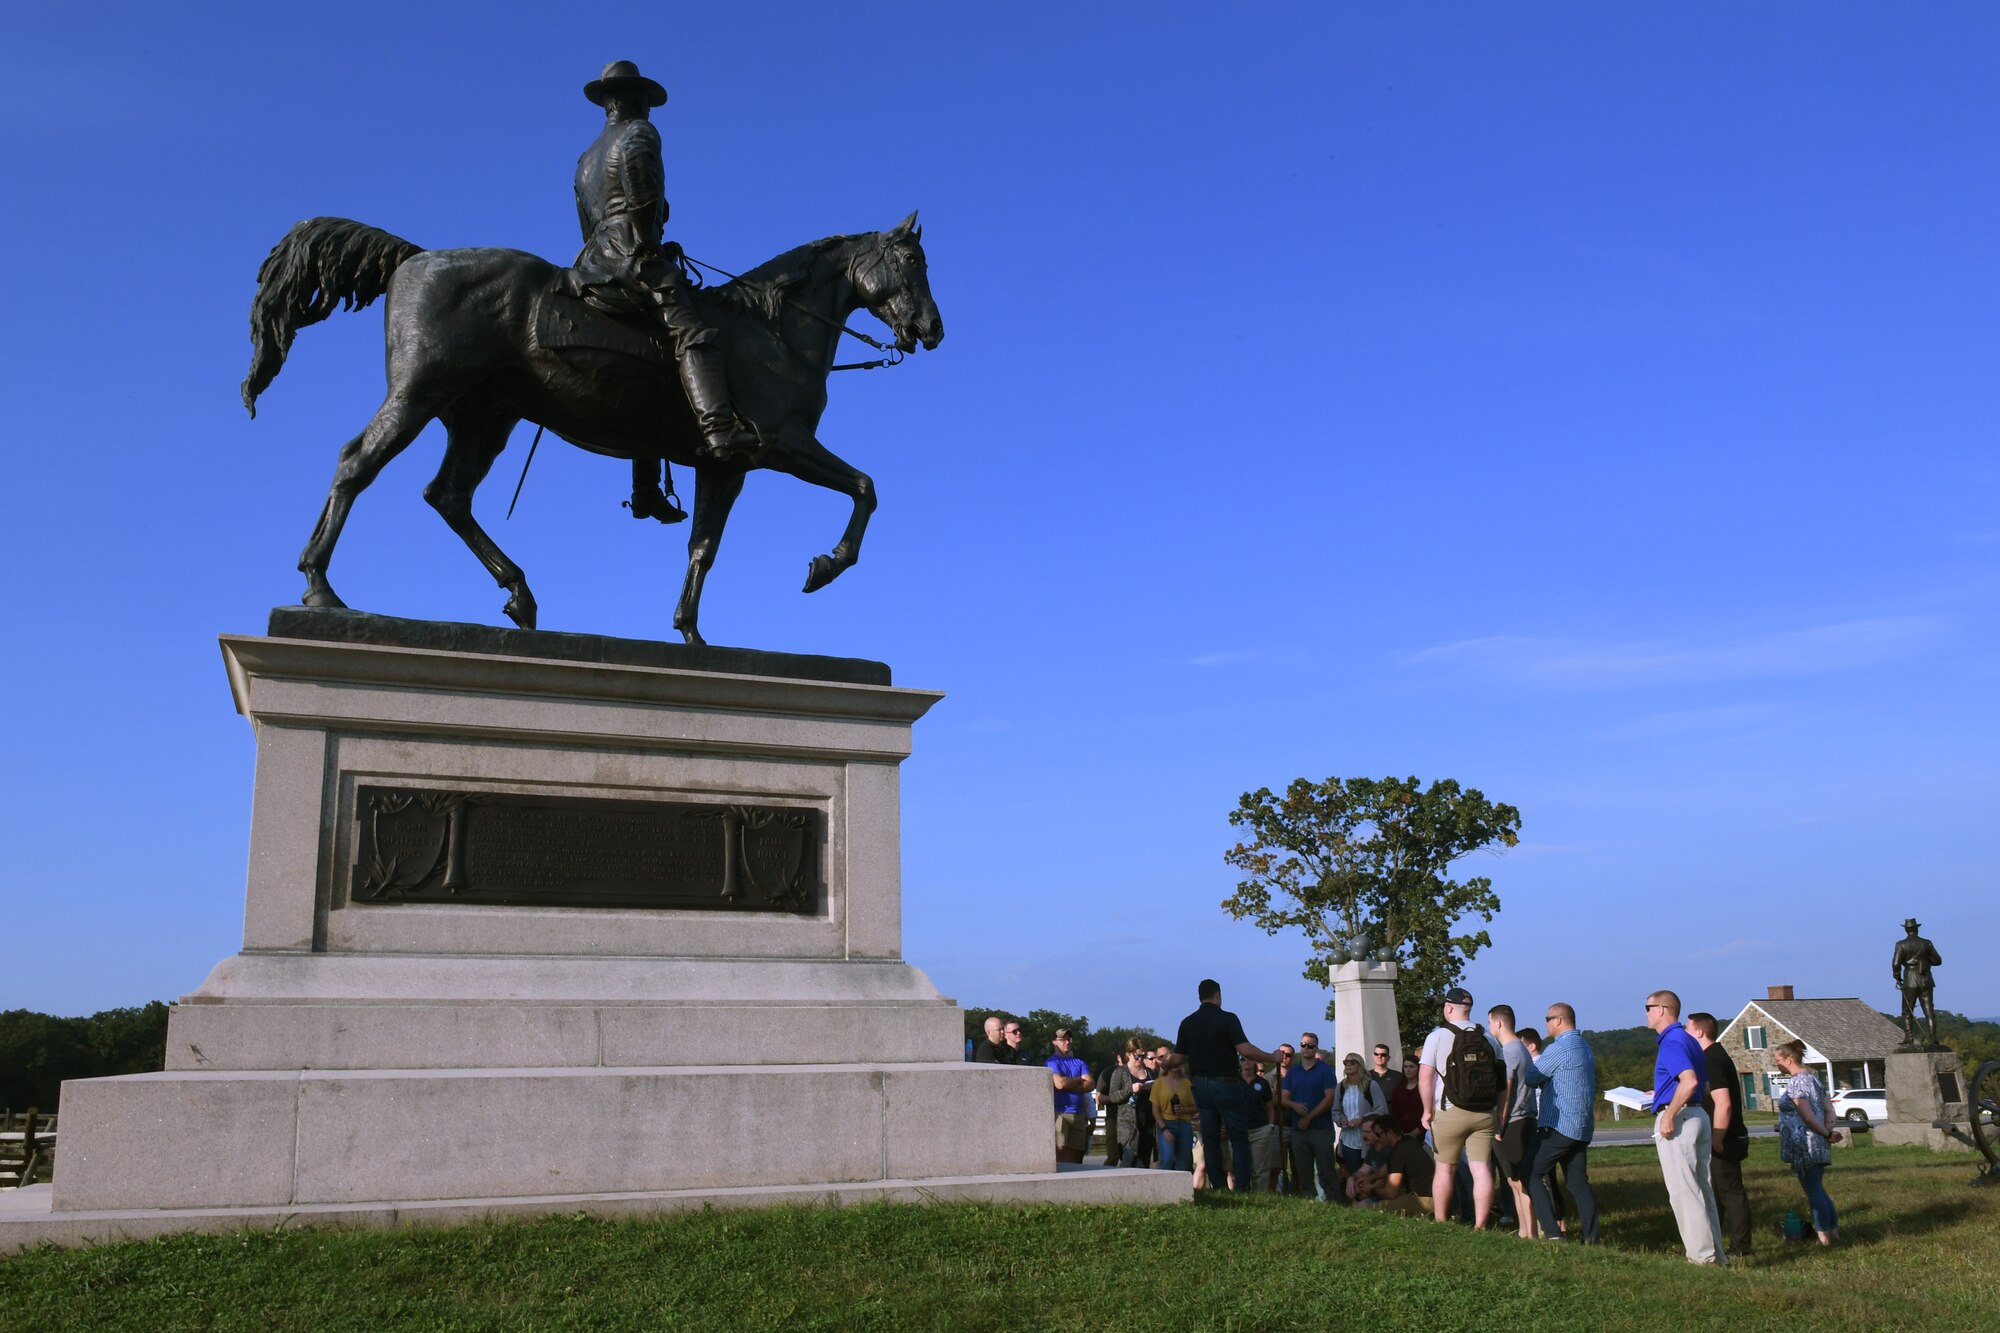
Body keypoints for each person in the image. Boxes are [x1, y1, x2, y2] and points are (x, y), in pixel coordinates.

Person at [570, 61, 763, 526]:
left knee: (650, 352)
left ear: (606, 101)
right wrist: (650, 247)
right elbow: (643, 201)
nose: (649, 110)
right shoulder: (639, 135)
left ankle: (646, 491)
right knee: (694, 331)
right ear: (633, 98)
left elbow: (585, 224)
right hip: (633, 253)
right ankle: (719, 431)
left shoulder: (586, 157)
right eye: (646, 101)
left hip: (592, 260)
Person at [1173, 979, 1282, 1193]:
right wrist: (1272, 1057)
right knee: (1238, 1136)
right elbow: (1246, 1050)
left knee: (1211, 1137)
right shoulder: (1228, 1019)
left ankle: (1219, 1186)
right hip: (1226, 1082)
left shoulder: (1187, 1022)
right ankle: (1242, 1186)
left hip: (1201, 1085)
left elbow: (1177, 1059)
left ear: (1200, 996)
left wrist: (1166, 1062)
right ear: (1218, 995)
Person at [1645, 989, 1727, 1265]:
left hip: (1680, 1119)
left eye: (1648, 1007)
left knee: (1684, 1191)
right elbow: (1701, 1085)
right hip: (1698, 1115)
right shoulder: (1690, 1040)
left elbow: (1690, 1082)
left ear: (1662, 1009)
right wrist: (1660, 1092)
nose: (1645, 1012)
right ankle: (1717, 1254)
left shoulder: (1671, 1041)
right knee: (1702, 1189)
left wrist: (1669, 1115)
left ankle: (1702, 1258)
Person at [1419, 986, 1506, 1226]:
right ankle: (1480, 1224)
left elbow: (1425, 1078)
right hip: (1485, 1112)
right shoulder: (1488, 1037)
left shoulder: (1436, 1036)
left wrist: (1427, 1111)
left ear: (1448, 1008)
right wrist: (1499, 1115)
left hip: (1450, 1110)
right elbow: (1502, 1084)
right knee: (1481, 1169)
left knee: (1445, 1168)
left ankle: (1441, 1220)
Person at [1517, 1003, 1598, 1243]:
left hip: (1558, 1124)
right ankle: (1591, 1238)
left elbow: (1531, 1077)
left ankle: (1553, 1233)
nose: (1546, 1024)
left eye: (1548, 1019)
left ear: (1559, 1020)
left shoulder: (1559, 1047)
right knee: (1577, 1182)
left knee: (1530, 1172)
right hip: (1582, 1126)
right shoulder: (1585, 1046)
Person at [1686, 1011, 1753, 1257]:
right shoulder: (1710, 1057)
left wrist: (1717, 1138)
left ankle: (1741, 1248)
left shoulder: (1713, 1059)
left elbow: (1723, 1104)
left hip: (1725, 1137)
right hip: (1720, 1136)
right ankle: (1716, 1243)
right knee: (1715, 1193)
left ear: (1699, 1032)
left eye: (1687, 1028)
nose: (1684, 1033)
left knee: (1731, 1193)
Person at [1772, 1039, 1841, 1246]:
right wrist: (1827, 1131)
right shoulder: (1814, 1080)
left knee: (1813, 1190)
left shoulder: (1796, 1082)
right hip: (1819, 1142)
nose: (1775, 1064)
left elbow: (1807, 1116)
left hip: (1804, 1144)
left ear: (1789, 1059)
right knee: (1818, 1188)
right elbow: (1829, 1110)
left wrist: (1825, 1133)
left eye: (1777, 1060)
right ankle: (1833, 1233)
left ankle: (1823, 1237)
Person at [1487, 1005, 1537, 1239]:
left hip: (1514, 1122)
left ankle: (1532, 1231)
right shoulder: (1521, 1048)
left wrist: (1500, 1126)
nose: (1490, 1027)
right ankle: (1524, 1231)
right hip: (1520, 1119)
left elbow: (1506, 1093)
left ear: (1498, 1023)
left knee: (1520, 1182)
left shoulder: (1510, 1051)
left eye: (1490, 1022)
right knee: (1514, 1181)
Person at [1281, 1032, 1341, 1202]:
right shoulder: (1293, 1072)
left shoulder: (1325, 1070)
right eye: (1303, 1045)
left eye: (1310, 1045)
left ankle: (1332, 1202)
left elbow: (1329, 1098)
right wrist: (1293, 1105)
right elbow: (1284, 1097)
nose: (1306, 1048)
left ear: (1316, 1048)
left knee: (1325, 1169)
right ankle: (1308, 1201)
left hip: (1320, 1128)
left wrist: (1309, 1117)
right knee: (1302, 1169)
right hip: (1298, 1129)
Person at [1347, 1114, 1435, 1216]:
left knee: (1364, 1208)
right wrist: (1370, 1178)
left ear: (1389, 1133)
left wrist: (1371, 1189)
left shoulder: (1398, 1152)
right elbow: (1387, 1167)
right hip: (1427, 1197)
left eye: (1378, 1134)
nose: (1377, 1138)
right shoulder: (1407, 1141)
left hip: (1423, 1201)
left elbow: (1390, 1193)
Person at [1333, 1053, 1388, 1188]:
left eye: (1352, 1062)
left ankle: (1371, 1202)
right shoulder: (1341, 1087)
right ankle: (1355, 1201)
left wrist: (1362, 1119)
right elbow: (1335, 1111)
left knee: (1369, 1174)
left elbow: (1382, 1110)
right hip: (1348, 1139)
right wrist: (1342, 1120)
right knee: (1353, 1173)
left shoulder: (1371, 1085)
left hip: (1368, 1138)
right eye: (1346, 1062)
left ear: (1360, 1065)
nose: (1348, 1065)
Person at [1046, 1028, 1096, 1165]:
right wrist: (1079, 1079)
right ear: (1054, 1042)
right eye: (1062, 1039)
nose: (1066, 1042)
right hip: (1060, 1113)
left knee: (1077, 1154)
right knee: (1061, 1153)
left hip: (1079, 1114)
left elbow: (1090, 1084)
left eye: (1068, 1039)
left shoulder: (1079, 1062)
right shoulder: (1051, 1063)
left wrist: (1070, 1082)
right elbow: (1060, 1084)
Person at [1892, 917, 1944, 1047]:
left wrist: (1897, 976)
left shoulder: (1901, 944)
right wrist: (1926, 962)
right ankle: (1933, 1038)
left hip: (1910, 980)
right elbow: (1938, 960)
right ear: (1916, 929)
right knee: (1929, 1011)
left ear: (1906, 930)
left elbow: (1896, 964)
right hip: (1926, 979)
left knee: (1907, 1011)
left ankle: (1909, 1037)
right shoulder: (1926, 943)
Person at [1150, 1054, 1198, 1172]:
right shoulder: (1158, 1083)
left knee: (1184, 1161)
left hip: (1184, 1124)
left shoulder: (1187, 1083)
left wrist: (1184, 1109)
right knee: (1167, 1159)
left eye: (1176, 1062)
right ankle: (1165, 1188)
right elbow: (1155, 1110)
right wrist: (1164, 1129)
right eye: (1170, 1062)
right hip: (1166, 1123)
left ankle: (1181, 1189)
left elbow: (1196, 1106)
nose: (1174, 1065)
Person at [1101, 1048, 1146, 1168]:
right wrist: (1131, 1089)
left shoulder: (1148, 1072)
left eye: (1143, 1056)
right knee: (1127, 1157)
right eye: (1137, 1056)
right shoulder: (1118, 1072)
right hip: (1125, 1122)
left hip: (1146, 1123)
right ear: (1129, 1055)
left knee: (1143, 1163)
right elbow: (1112, 1096)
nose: (1140, 1059)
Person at [1242, 1054, 1278, 1192]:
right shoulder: (1234, 1081)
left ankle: (1260, 1197)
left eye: (1249, 1058)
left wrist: (1270, 1126)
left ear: (1254, 1061)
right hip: (1239, 1130)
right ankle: (1241, 1195)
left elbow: (1270, 1107)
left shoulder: (1262, 1083)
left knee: (1260, 1169)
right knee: (1240, 1166)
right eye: (1242, 1059)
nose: (1246, 1062)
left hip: (1260, 1129)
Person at [1389, 1056, 1423, 1135]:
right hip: (1402, 1133)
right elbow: (1395, 1113)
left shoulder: (1424, 1089)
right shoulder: (1397, 1090)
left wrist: (1416, 1132)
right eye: (1405, 1066)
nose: (1408, 1070)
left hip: (1422, 1132)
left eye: (1411, 1067)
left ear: (1418, 1068)